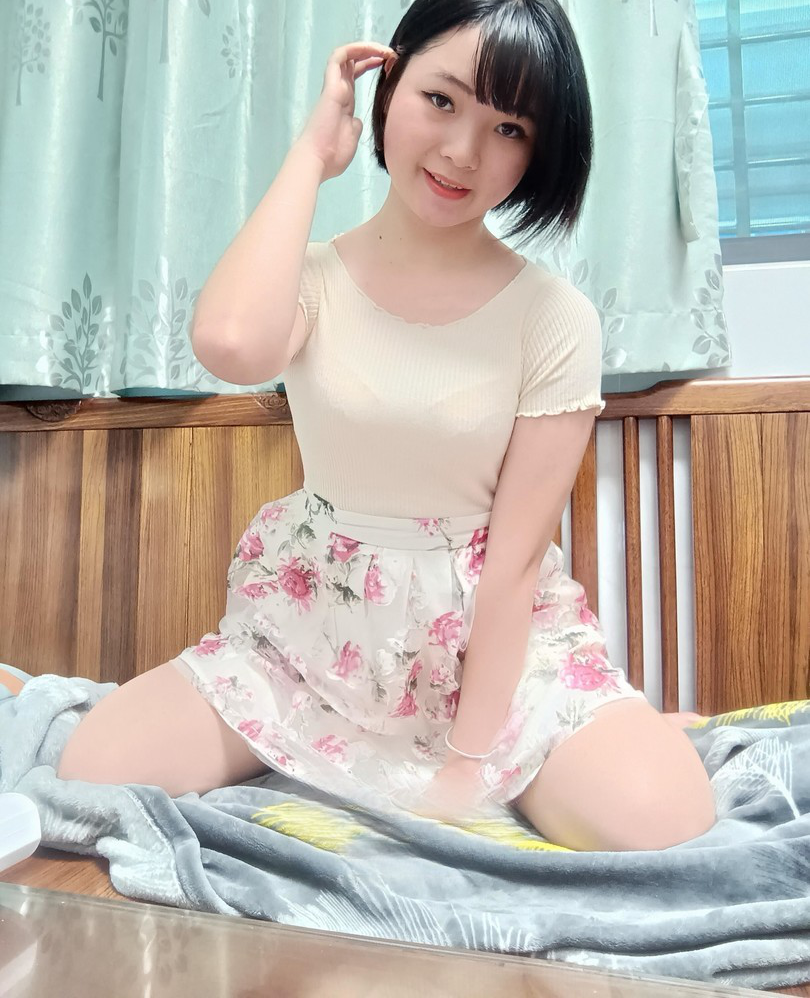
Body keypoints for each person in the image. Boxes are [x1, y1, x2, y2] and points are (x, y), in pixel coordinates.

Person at [1, 0, 716, 851]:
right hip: (311, 634)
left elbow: (516, 561)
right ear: (388, 84)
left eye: (509, 128)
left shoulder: (552, 316)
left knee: (664, 818)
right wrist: (312, 156)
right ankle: (346, 748)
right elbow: (229, 343)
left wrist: (465, 766)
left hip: (488, 644)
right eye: (441, 100)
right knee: (92, 765)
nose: (462, 151)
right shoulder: (312, 281)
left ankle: (614, 736)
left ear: (538, 151)